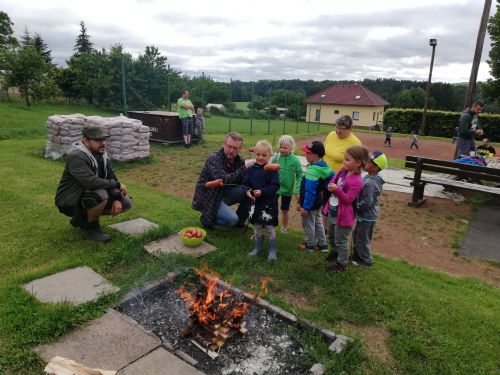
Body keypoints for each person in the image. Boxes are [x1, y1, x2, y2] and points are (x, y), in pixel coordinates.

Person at [55, 125, 132, 242]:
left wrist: (116, 197)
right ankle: (92, 230)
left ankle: (81, 219)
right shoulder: (77, 156)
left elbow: (111, 177)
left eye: (104, 139)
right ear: (85, 140)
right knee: (100, 195)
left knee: (126, 202)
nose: (102, 143)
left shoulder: (102, 155)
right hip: (69, 200)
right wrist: (117, 185)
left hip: (86, 194)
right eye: (98, 140)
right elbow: (91, 182)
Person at [323, 145, 368, 273]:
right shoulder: (343, 171)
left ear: (358, 163)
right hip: (333, 211)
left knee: (341, 240)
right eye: (345, 158)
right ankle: (334, 252)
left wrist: (337, 190)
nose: (344, 161)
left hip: (344, 216)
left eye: (348, 159)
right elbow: (332, 181)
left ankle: (341, 264)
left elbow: (348, 199)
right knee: (331, 236)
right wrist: (330, 186)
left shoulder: (357, 181)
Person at [192, 132, 251, 229]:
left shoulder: (239, 161)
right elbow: (222, 180)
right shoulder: (214, 158)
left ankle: (239, 223)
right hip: (209, 196)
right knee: (231, 220)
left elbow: (242, 181)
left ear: (239, 149)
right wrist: (244, 168)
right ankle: (206, 220)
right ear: (224, 144)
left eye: (235, 148)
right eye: (229, 146)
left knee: (249, 192)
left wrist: (249, 189)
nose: (231, 150)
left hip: (224, 193)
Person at [243, 140, 280, 260]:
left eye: (264, 155)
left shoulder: (271, 169)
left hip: (268, 204)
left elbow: (275, 186)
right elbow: (245, 184)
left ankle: (272, 249)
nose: (260, 157)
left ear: (270, 155)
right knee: (257, 226)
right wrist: (247, 191)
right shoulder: (251, 169)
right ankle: (257, 247)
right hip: (255, 203)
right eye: (258, 154)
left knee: (269, 227)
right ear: (254, 154)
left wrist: (262, 192)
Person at [352, 151, 387, 268]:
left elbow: (367, 202)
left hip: (366, 216)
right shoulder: (368, 177)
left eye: (368, 161)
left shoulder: (371, 183)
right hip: (364, 215)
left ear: (376, 167)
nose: (365, 162)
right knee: (357, 234)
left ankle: (366, 261)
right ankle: (357, 255)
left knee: (362, 238)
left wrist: (354, 207)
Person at [298, 141, 334, 252]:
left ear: (316, 156)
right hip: (319, 200)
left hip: (310, 202)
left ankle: (309, 244)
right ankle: (322, 244)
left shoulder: (312, 170)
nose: (305, 155)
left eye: (308, 153)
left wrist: (306, 207)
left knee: (308, 224)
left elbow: (310, 191)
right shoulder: (324, 165)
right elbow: (333, 178)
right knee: (318, 222)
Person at [271, 135, 303, 233]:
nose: (282, 149)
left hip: (287, 190)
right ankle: (270, 225)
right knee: (271, 207)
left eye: (285, 148)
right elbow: (269, 170)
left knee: (284, 210)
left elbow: (299, 175)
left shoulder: (295, 160)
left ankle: (284, 228)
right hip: (275, 188)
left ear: (291, 148)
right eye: (281, 147)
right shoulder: (275, 158)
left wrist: (297, 190)